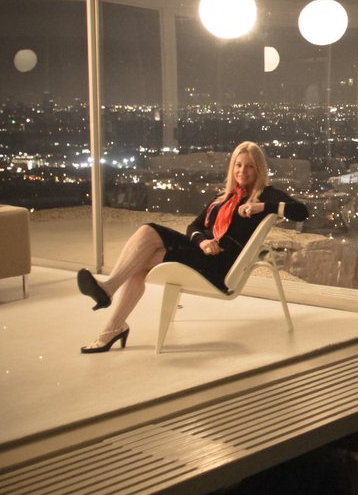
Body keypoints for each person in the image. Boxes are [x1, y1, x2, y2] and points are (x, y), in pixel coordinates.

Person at [76, 141, 309, 353]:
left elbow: (301, 211)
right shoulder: (223, 197)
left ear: (258, 169)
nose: (242, 171)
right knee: (147, 231)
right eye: (238, 165)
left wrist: (264, 207)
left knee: (139, 262)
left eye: (249, 166)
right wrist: (202, 241)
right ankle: (110, 308)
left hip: (218, 263)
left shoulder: (267, 195)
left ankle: (111, 316)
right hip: (201, 250)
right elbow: (193, 227)